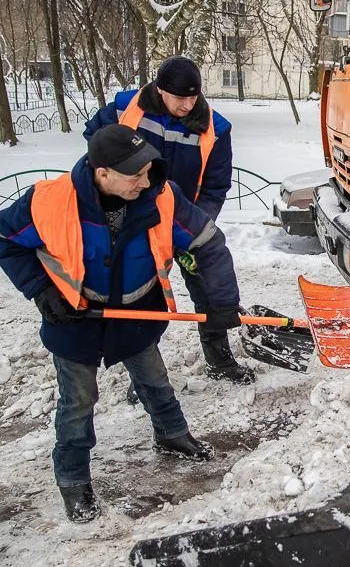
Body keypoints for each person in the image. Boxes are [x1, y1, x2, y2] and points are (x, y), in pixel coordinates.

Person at [0, 124, 243, 523]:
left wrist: (224, 302)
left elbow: (207, 242)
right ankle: (73, 478)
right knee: (79, 400)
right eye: (135, 174)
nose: (145, 182)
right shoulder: (49, 201)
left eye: (148, 171)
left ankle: (172, 433)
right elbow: (3, 238)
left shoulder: (161, 197)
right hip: (73, 317)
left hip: (138, 311)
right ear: (101, 171)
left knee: (155, 378)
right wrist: (42, 290)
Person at [83, 55, 251, 385]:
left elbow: (215, 187)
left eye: (193, 97)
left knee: (206, 290)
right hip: (132, 218)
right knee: (142, 296)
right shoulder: (125, 109)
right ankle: (144, 376)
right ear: (161, 91)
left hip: (181, 220)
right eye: (179, 97)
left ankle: (220, 361)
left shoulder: (216, 129)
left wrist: (194, 231)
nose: (187, 105)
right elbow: (95, 140)